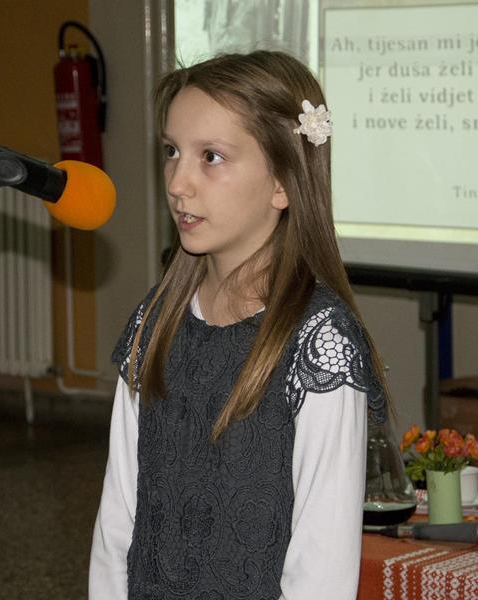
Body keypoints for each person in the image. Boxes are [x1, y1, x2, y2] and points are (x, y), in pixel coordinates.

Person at [89, 50, 389, 600]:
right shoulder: (156, 321)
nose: (178, 182)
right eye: (172, 151)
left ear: (282, 184)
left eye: (211, 157)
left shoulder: (318, 342)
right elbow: (118, 520)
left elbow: (322, 564)